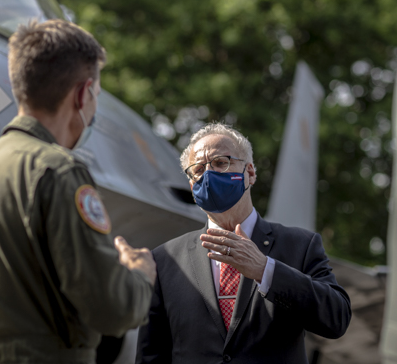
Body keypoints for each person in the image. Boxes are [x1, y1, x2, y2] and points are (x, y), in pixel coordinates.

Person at [0, 19, 156, 363]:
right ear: (82, 95)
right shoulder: (60, 172)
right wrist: (140, 274)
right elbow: (112, 309)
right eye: (96, 95)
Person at [136, 123, 351, 364]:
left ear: (250, 173)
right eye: (198, 169)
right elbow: (151, 354)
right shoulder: (165, 259)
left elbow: (337, 319)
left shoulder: (300, 245)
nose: (208, 175)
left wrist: (265, 269)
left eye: (221, 162)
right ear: (190, 184)